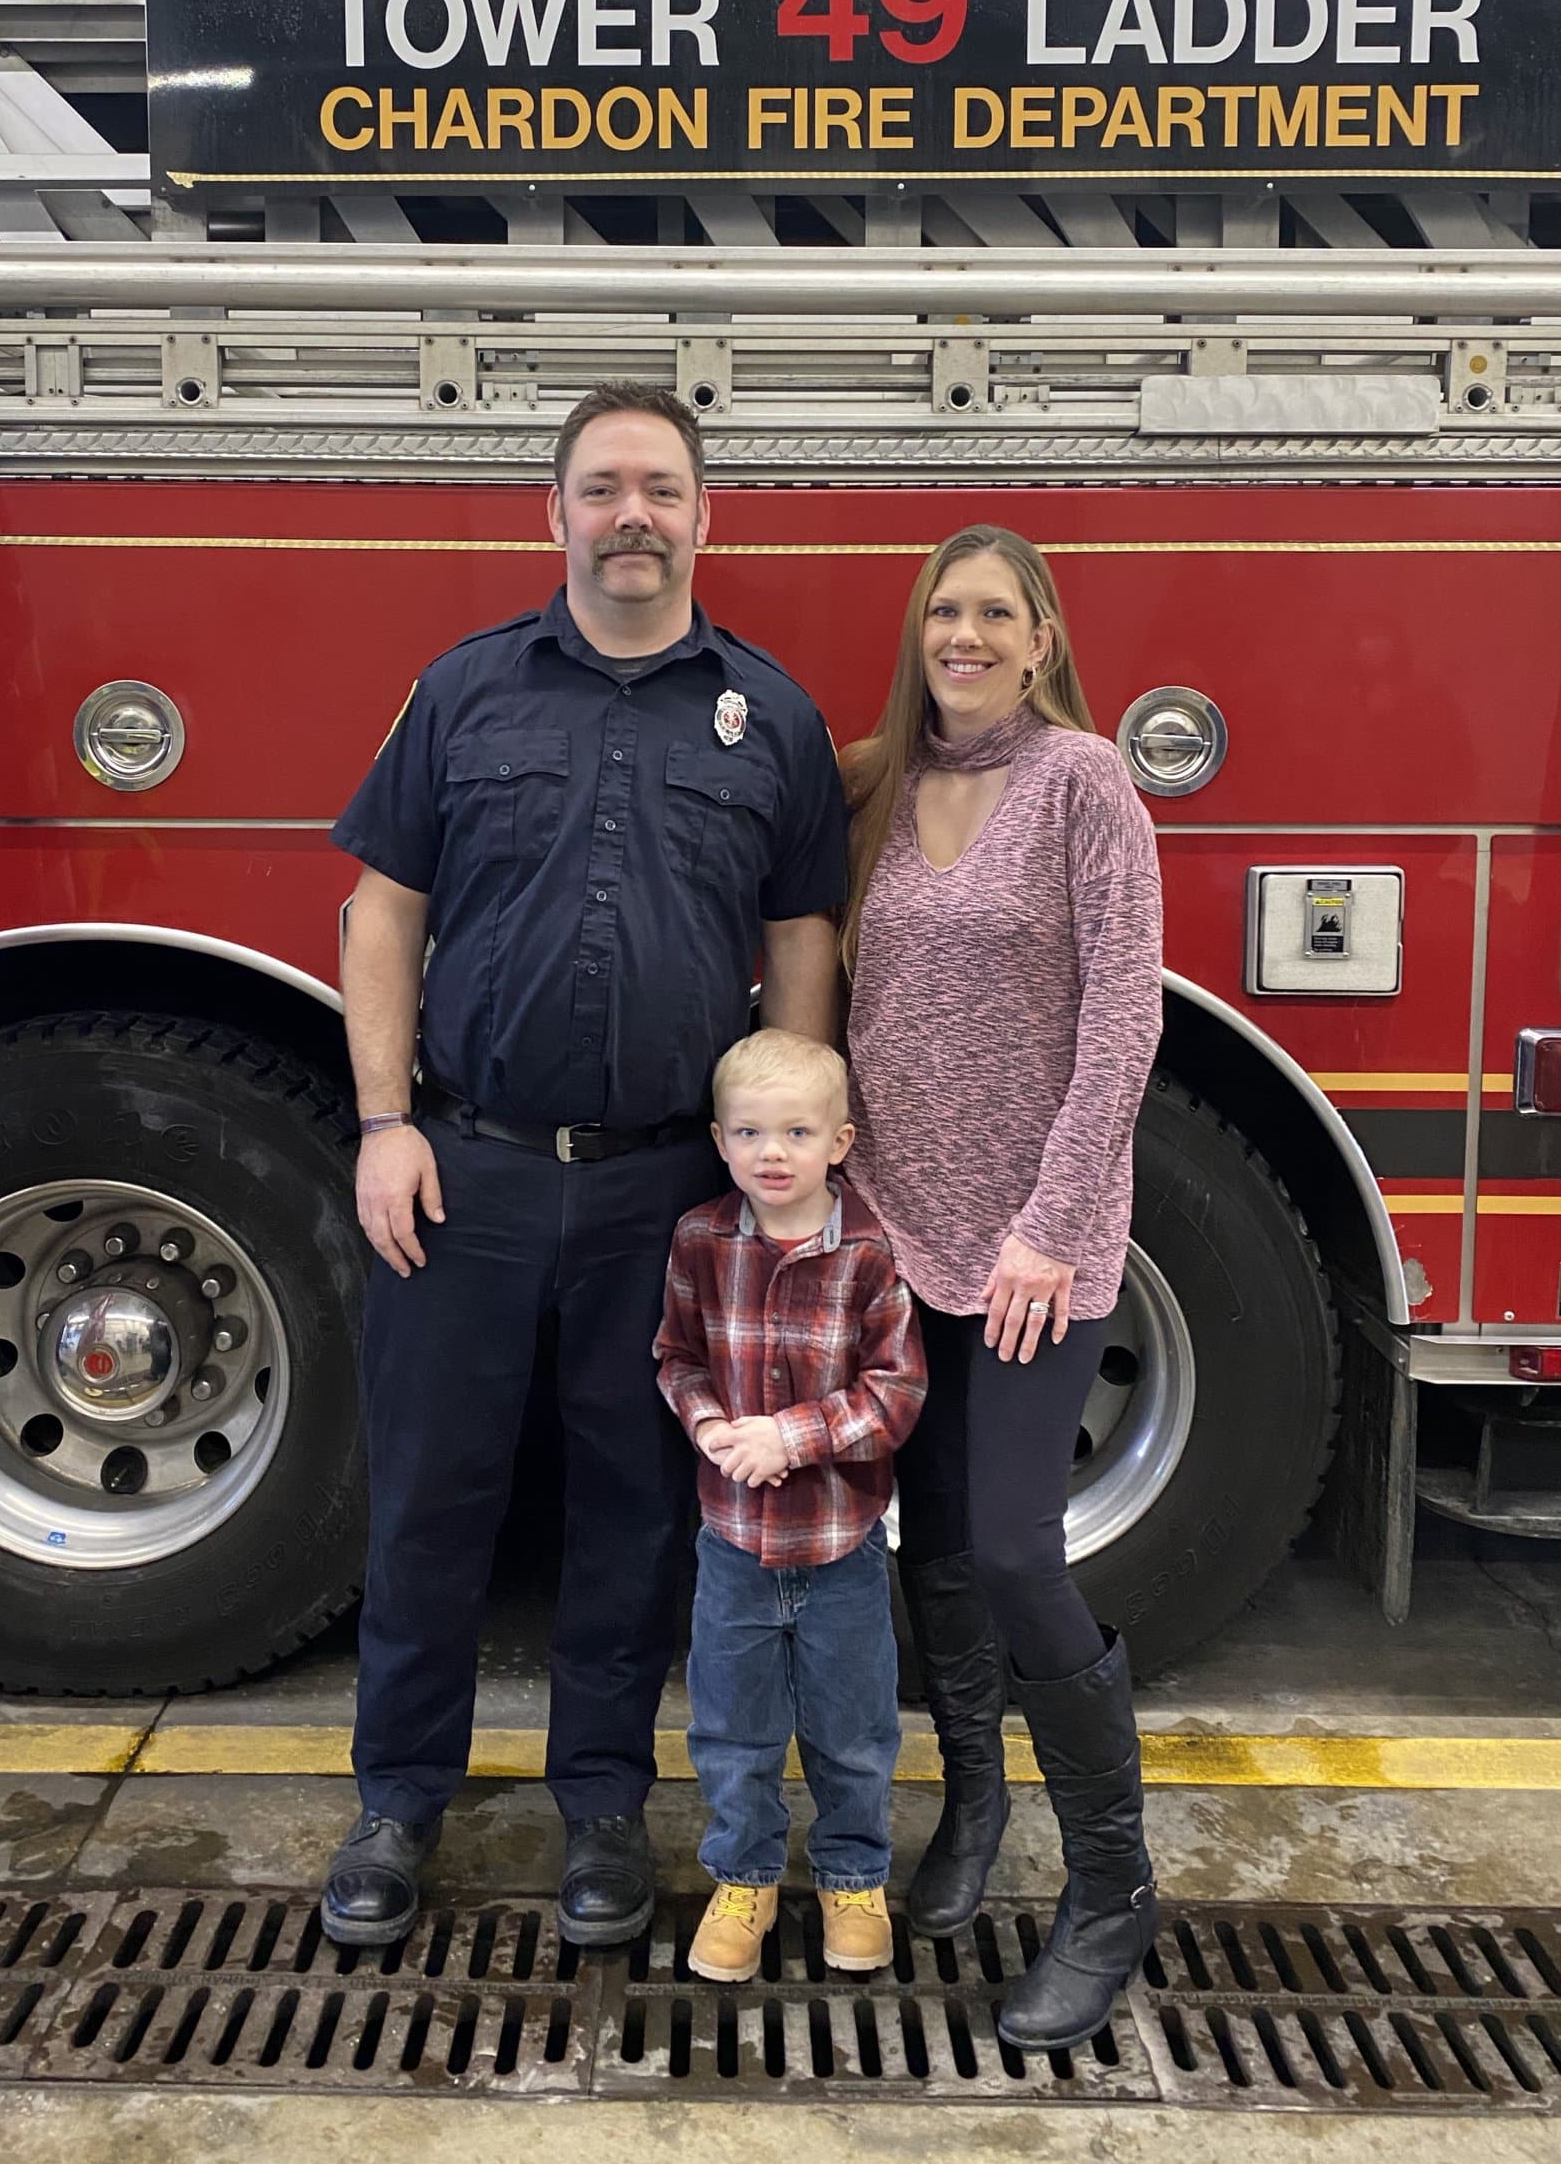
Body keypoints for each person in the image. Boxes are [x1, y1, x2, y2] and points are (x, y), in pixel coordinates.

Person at [323, 382, 848, 1952]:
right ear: (553, 513)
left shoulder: (773, 717)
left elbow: (801, 943)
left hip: (667, 1192)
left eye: (662, 490)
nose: (634, 516)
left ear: (705, 518)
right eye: (605, 487)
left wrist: (785, 1171)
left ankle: (606, 1805)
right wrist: (383, 1124)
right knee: (433, 1499)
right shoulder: (463, 692)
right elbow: (382, 914)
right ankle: (397, 1801)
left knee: (634, 1507)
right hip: (463, 1171)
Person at [841, 523, 1164, 2053]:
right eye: (942, 614)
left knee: (1023, 1554)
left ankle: (1112, 1890)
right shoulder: (881, 790)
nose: (962, 637)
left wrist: (1050, 1220)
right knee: (937, 1540)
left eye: (993, 614)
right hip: (897, 1233)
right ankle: (973, 1805)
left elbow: (1124, 1016)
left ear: (1042, 640)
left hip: (1039, 1246)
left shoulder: (1084, 782)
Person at [655, 1028, 925, 1985]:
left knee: (854, 1730)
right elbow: (677, 1357)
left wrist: (790, 1437)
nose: (773, 1153)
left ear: (840, 1142)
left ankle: (853, 1878)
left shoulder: (871, 1254)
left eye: (798, 1133)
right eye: (750, 1133)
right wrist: (710, 1426)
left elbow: (897, 1394)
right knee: (733, 1729)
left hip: (842, 1545)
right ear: (720, 1141)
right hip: (732, 1542)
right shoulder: (700, 1240)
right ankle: (745, 1878)